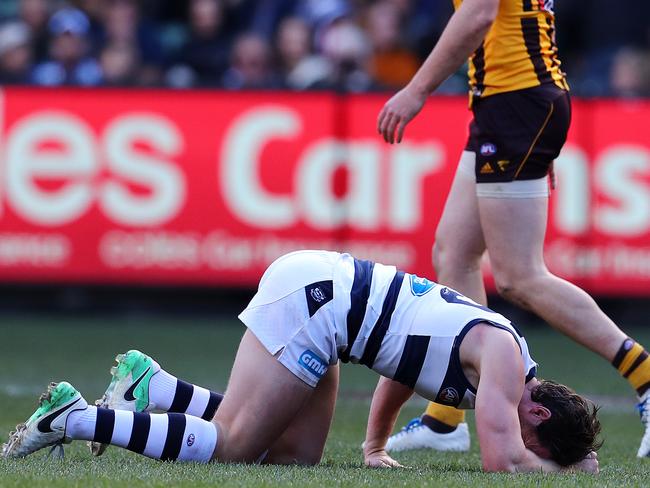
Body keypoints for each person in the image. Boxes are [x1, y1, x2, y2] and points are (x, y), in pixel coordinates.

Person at [3, 250, 601, 473]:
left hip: (329, 305)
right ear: (541, 418)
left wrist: (373, 446)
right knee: (236, 444)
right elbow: (502, 461)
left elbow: (403, 372)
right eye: (538, 444)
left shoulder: (501, 358)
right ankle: (74, 418)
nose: (527, 444)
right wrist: (565, 471)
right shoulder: (503, 358)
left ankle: (151, 385)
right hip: (319, 302)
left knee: (294, 454)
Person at [375, 0, 650, 458]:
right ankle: (446, 421)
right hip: (511, 103)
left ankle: (645, 378)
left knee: (519, 276)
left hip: (517, 103)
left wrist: (416, 89)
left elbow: (479, 14)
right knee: (454, 253)